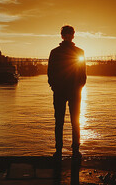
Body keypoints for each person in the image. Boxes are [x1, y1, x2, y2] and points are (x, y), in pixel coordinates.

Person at [48, 25, 87, 159]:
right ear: (65, 36)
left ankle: (62, 150)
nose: (69, 36)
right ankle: (71, 150)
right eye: (67, 34)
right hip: (70, 91)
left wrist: (54, 86)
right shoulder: (79, 52)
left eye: (69, 34)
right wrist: (79, 86)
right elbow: (83, 74)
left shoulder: (55, 52)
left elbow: (51, 73)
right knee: (70, 121)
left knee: (62, 121)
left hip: (64, 91)